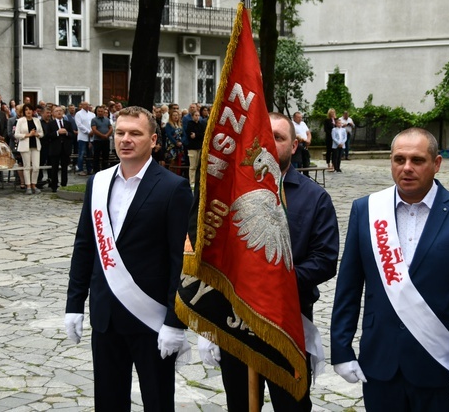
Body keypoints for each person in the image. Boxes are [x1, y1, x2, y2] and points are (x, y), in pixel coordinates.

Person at [330, 127, 449, 412]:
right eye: (399, 159)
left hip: (439, 365)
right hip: (380, 364)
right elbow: (349, 287)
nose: (406, 168)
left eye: (417, 160)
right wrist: (341, 349)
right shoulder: (366, 210)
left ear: (437, 164)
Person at [199, 112, 340, 411]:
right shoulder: (230, 193)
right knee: (240, 404)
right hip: (236, 321)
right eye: (265, 135)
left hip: (289, 325)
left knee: (292, 406)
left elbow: (325, 260)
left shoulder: (315, 198)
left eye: (279, 137)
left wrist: (273, 282)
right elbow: (213, 255)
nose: (270, 142)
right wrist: (212, 321)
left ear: (294, 146)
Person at [64, 106, 193, 410]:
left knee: (158, 402)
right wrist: (74, 304)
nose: (125, 139)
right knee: (108, 403)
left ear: (153, 140)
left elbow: (181, 261)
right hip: (106, 317)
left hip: (151, 319)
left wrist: (176, 323)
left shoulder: (174, 188)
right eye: (120, 132)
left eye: (135, 133)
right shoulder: (98, 183)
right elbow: (84, 246)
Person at [15, 104, 44, 195]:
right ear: (24, 111)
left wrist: (36, 134)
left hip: (35, 145)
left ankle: (34, 184)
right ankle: (28, 186)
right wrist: (28, 135)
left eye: (30, 109)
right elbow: (16, 134)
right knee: (27, 167)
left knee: (36, 167)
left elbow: (42, 133)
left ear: (33, 111)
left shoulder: (37, 120)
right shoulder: (20, 121)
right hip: (25, 146)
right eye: (26, 110)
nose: (28, 111)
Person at [47, 106, 75, 192]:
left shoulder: (67, 123)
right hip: (55, 148)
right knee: (54, 168)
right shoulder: (51, 124)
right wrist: (57, 133)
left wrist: (66, 133)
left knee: (64, 168)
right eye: (56, 111)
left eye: (60, 111)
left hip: (65, 148)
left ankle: (64, 184)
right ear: (53, 113)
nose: (59, 112)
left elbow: (72, 135)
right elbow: (48, 136)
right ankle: (54, 185)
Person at [183, 109, 205, 188]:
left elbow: (202, 134)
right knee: (192, 166)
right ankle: (192, 181)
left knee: (198, 165)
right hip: (192, 147)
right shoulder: (190, 124)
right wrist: (196, 135)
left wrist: (196, 135)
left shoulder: (200, 124)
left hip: (199, 146)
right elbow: (190, 134)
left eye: (198, 115)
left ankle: (197, 180)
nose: (197, 117)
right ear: (192, 116)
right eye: (195, 115)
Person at [90, 105, 113, 173]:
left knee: (106, 156)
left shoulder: (107, 119)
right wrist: (102, 135)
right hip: (97, 140)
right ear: (96, 112)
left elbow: (111, 128)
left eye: (101, 111)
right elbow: (94, 130)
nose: (100, 113)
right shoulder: (94, 120)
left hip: (106, 141)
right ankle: (96, 170)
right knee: (96, 156)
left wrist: (107, 135)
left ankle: (105, 169)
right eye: (99, 111)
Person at [75, 101, 95, 176]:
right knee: (82, 153)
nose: (87, 106)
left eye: (88, 105)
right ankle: (80, 169)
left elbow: (93, 124)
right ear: (82, 105)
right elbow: (79, 125)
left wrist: (93, 131)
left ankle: (89, 169)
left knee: (90, 154)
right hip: (83, 137)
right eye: (85, 105)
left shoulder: (92, 114)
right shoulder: (79, 114)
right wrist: (88, 131)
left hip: (91, 136)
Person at [163, 110, 184, 175]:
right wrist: (176, 142)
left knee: (178, 162)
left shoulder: (180, 124)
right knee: (172, 162)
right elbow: (169, 135)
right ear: (171, 116)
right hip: (171, 146)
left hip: (179, 146)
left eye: (177, 115)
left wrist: (181, 142)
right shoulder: (168, 125)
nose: (175, 117)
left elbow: (183, 134)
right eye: (174, 115)